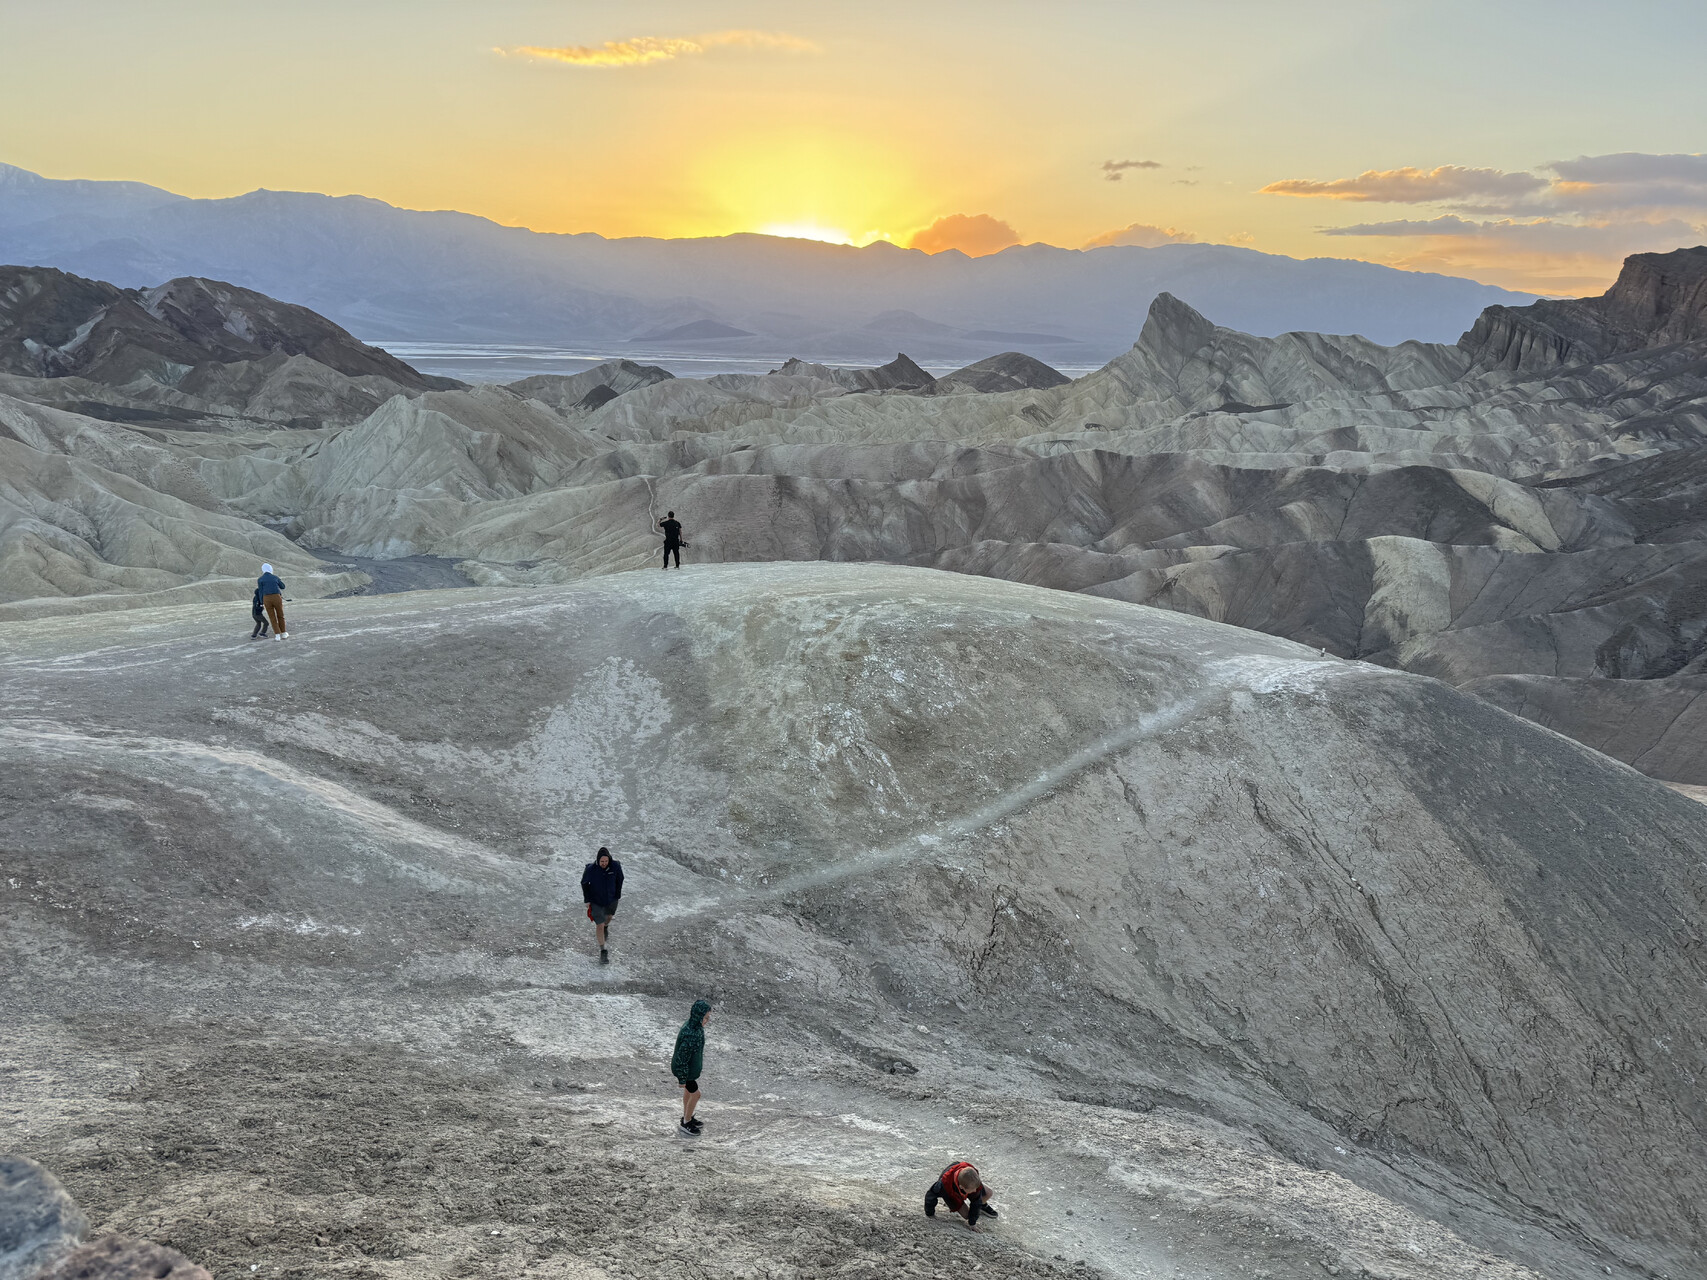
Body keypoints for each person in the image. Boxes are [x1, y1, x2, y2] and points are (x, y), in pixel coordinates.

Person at [670, 998, 711, 1135]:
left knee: (688, 1093)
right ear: (699, 1016)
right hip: (686, 1071)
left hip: (689, 1071)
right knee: (696, 1094)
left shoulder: (696, 1028)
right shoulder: (691, 1034)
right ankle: (686, 1122)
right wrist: (682, 1078)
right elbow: (682, 1057)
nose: (707, 1020)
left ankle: (686, 1116)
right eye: (706, 1017)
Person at [580, 846, 623, 965]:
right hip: (596, 901)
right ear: (598, 860)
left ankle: (606, 926)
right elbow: (584, 883)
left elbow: (620, 879)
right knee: (599, 924)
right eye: (601, 861)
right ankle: (603, 950)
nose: (604, 863)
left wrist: (617, 895)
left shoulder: (615, 866)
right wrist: (587, 899)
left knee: (608, 917)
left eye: (606, 861)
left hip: (611, 899)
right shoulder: (591, 869)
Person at [925, 1161, 998, 1231]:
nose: (975, 1190)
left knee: (988, 1193)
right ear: (962, 1187)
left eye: (975, 1187)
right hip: (951, 1191)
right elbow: (930, 1196)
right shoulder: (943, 1185)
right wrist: (930, 1213)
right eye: (972, 1189)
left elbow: (976, 1201)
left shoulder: (972, 1178)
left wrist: (972, 1223)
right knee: (967, 1215)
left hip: (965, 1181)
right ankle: (954, 1200)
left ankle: (982, 1206)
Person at [257, 564, 288, 639]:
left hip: (266, 598)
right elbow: (283, 586)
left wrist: (261, 602)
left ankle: (277, 635)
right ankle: (283, 633)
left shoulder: (260, 579)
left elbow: (260, 592)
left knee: (272, 617)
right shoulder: (275, 577)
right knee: (280, 615)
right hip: (276, 597)